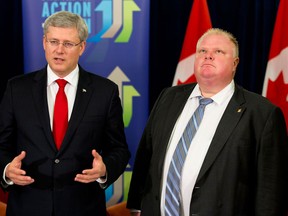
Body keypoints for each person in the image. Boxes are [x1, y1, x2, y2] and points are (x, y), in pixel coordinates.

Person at [127, 28, 288, 216]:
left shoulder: (262, 113)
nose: (208, 56)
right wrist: (136, 206)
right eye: (202, 51)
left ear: (235, 63)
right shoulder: (168, 97)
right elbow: (146, 155)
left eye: (218, 52)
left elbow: (270, 188)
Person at [0, 11, 131, 216]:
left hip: (83, 208)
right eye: (53, 41)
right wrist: (7, 169)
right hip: (28, 207)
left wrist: (104, 170)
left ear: (82, 47)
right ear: (44, 42)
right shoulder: (17, 89)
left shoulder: (105, 92)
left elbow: (119, 149)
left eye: (68, 44)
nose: (59, 50)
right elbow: (1, 144)